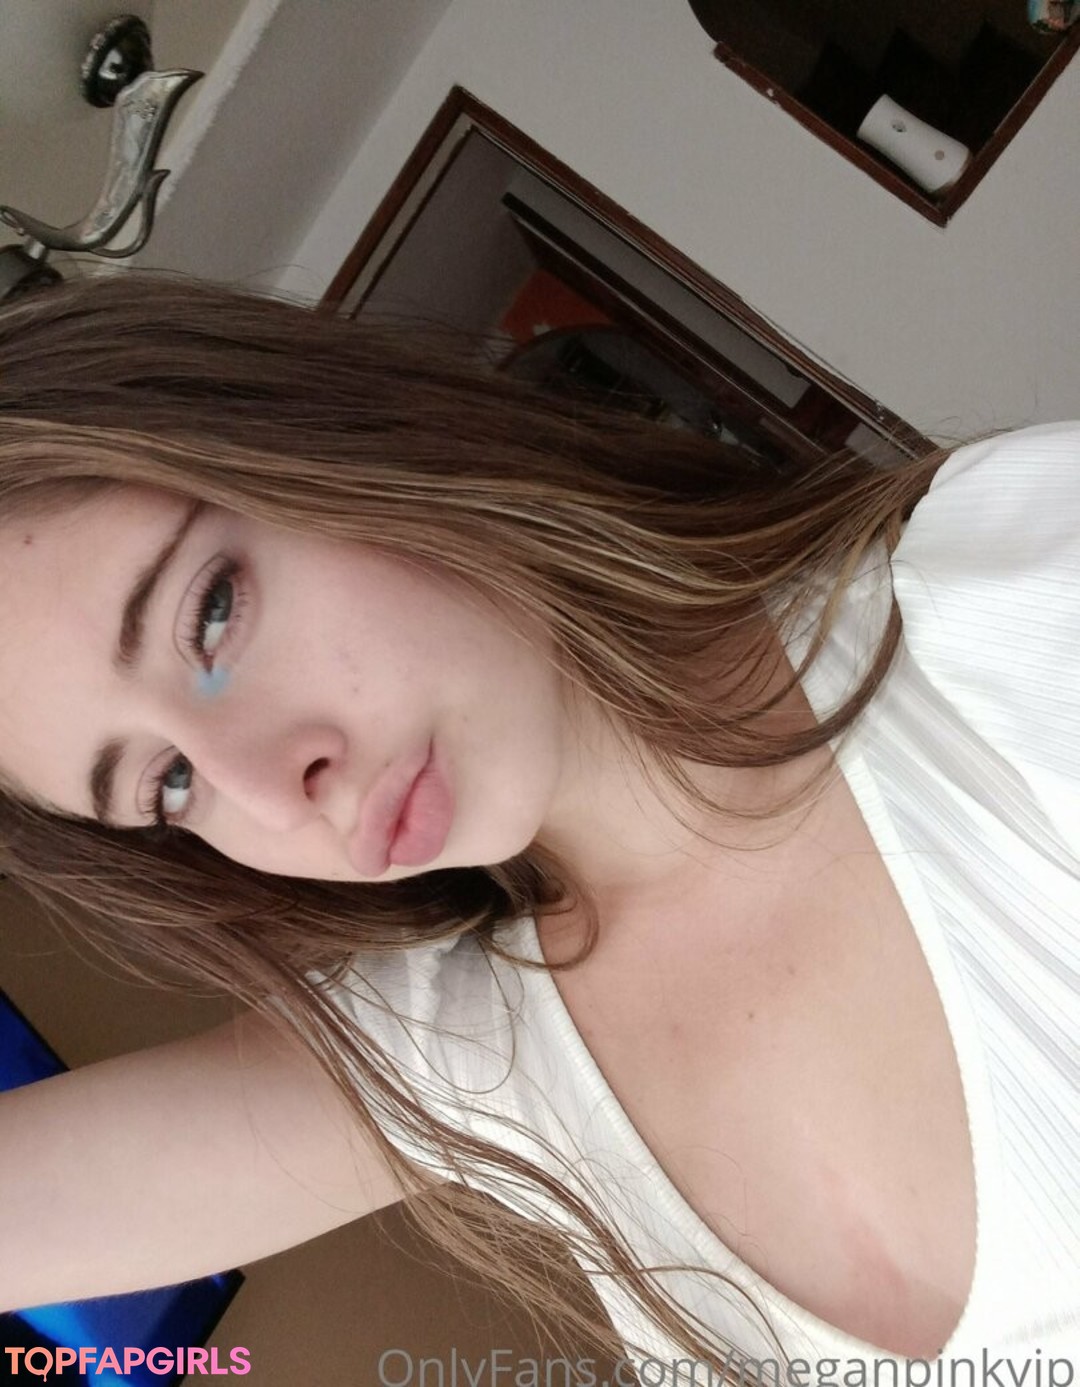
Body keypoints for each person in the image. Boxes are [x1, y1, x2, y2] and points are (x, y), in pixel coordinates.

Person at [0, 271, 1075, 1382]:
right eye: (170, 782)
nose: (275, 790)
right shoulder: (469, 1050)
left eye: (212, 613)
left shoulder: (1014, 604)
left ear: (338, 435)